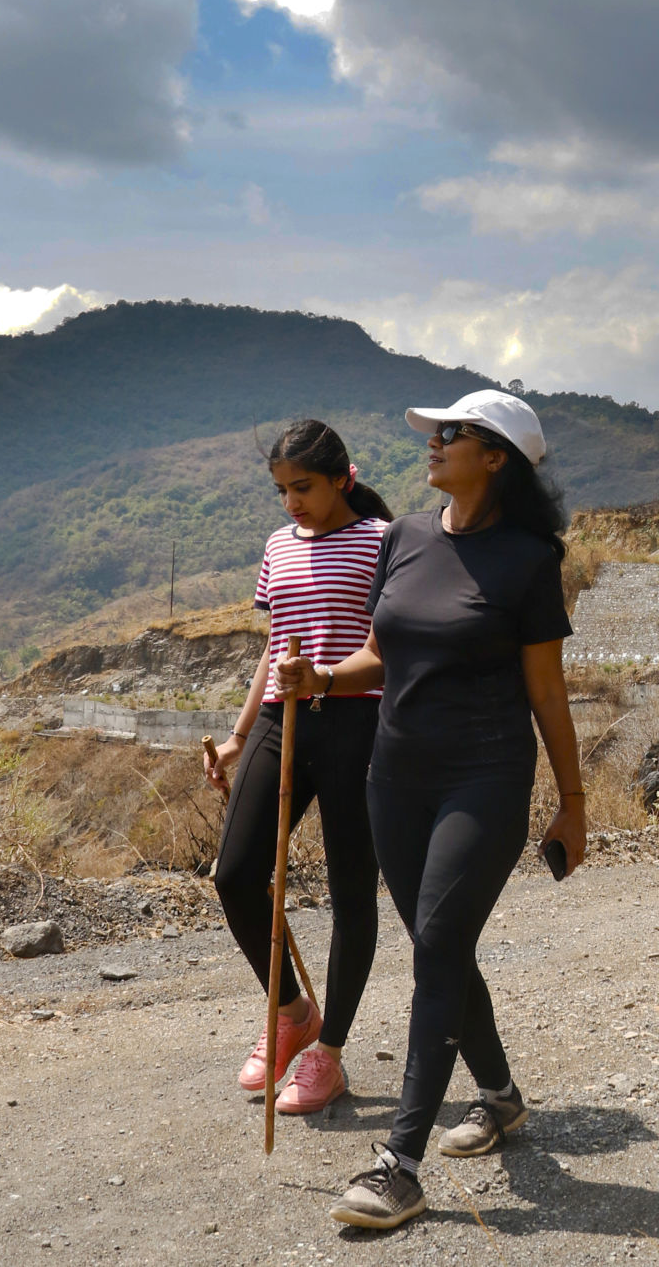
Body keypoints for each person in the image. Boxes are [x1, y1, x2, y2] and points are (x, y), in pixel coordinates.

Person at [276, 388, 585, 1232]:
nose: (434, 443)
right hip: (394, 776)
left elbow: (547, 690)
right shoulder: (406, 538)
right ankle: (500, 1096)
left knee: (442, 941)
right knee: (437, 944)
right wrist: (322, 679)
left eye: (453, 434)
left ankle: (399, 1164)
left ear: (497, 458)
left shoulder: (528, 558)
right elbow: (381, 650)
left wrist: (573, 801)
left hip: (484, 778)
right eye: (436, 432)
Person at [204, 421, 391, 1114]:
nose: (292, 504)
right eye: (282, 491)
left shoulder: (382, 543)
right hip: (283, 721)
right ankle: (290, 1015)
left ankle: (329, 1053)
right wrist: (236, 734)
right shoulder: (279, 547)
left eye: (303, 488)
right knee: (235, 874)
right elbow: (273, 645)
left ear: (343, 476)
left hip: (357, 721)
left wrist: (326, 680)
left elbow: (387, 650)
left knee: (351, 893)